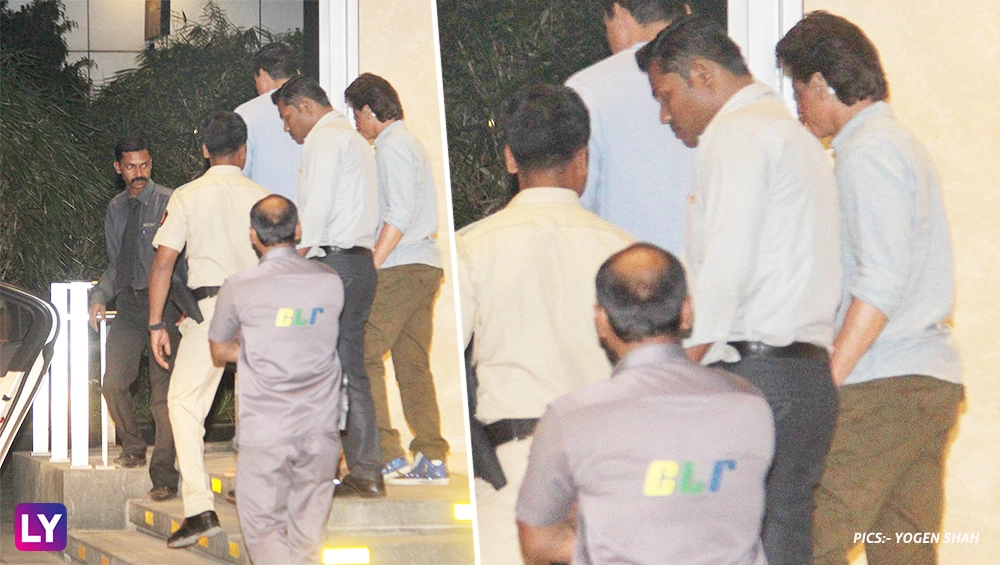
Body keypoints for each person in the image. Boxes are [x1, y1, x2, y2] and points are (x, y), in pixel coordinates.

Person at [636, 16, 842, 565]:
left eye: (666, 96)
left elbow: (725, 269)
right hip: (808, 380)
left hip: (756, 377)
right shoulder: (797, 138)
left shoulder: (735, 134)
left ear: (703, 74)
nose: (664, 116)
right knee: (784, 538)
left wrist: (672, 371)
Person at [776, 13, 965, 564]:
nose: (798, 106)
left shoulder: (869, 153)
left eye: (797, 89)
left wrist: (827, 379)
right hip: (925, 382)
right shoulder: (895, 144)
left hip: (883, 384)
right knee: (903, 550)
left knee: (808, 544)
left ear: (819, 83)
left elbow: (881, 282)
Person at [456, 84, 634, 565]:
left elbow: (446, 363)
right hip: (610, 468)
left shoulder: (472, 248)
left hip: (513, 469)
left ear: (510, 159)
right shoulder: (626, 252)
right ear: (583, 159)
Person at [516, 243, 773, 565]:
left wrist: (596, 531)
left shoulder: (571, 417)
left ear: (601, 320)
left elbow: (539, 544)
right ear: (686, 311)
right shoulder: (750, 405)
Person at [148, 111, 270, 548]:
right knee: (264, 407)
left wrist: (155, 323)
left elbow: (163, 263)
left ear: (204, 149)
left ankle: (199, 509)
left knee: (183, 403)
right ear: (243, 150)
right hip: (259, 308)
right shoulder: (263, 196)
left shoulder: (186, 196)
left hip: (213, 309)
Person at [209, 195, 344, 565]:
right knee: (309, 537)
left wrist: (254, 346)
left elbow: (219, 349)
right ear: (297, 230)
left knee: (264, 529)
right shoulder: (330, 282)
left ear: (253, 235)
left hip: (266, 433)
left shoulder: (238, 286)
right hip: (319, 431)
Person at [272, 76, 384, 497]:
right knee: (349, 369)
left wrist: (288, 262)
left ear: (305, 106)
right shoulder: (354, 139)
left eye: (287, 117)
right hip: (358, 264)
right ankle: (364, 469)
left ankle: (324, 470)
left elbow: (315, 212)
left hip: (332, 264)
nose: (287, 128)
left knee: (317, 371)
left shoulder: (324, 138)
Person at [344, 73, 450, 483]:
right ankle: (431, 457)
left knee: (362, 352)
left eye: (357, 114)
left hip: (401, 267)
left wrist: (370, 264)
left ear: (370, 111)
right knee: (412, 363)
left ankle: (386, 454)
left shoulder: (392, 147)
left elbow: (399, 215)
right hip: (422, 265)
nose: (356, 123)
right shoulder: (406, 143)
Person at [88, 137, 180, 501]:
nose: (138, 173)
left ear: (151, 163)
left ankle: (165, 476)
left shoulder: (170, 201)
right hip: (128, 305)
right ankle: (133, 445)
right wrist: (99, 297)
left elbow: (181, 260)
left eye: (144, 165)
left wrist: (185, 307)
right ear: (118, 168)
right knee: (113, 382)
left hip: (165, 306)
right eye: (130, 166)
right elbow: (116, 264)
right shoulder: (116, 207)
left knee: (163, 396)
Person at [565, 0, 694, 253]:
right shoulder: (716, 80)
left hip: (623, 267)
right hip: (708, 268)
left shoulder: (587, 89)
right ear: (685, 10)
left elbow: (574, 201)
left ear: (620, 15)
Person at [235, 42, 302, 200]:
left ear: (262, 74)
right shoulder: (314, 110)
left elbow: (239, 172)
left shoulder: (246, 114)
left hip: (265, 210)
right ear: (297, 73)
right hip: (310, 210)